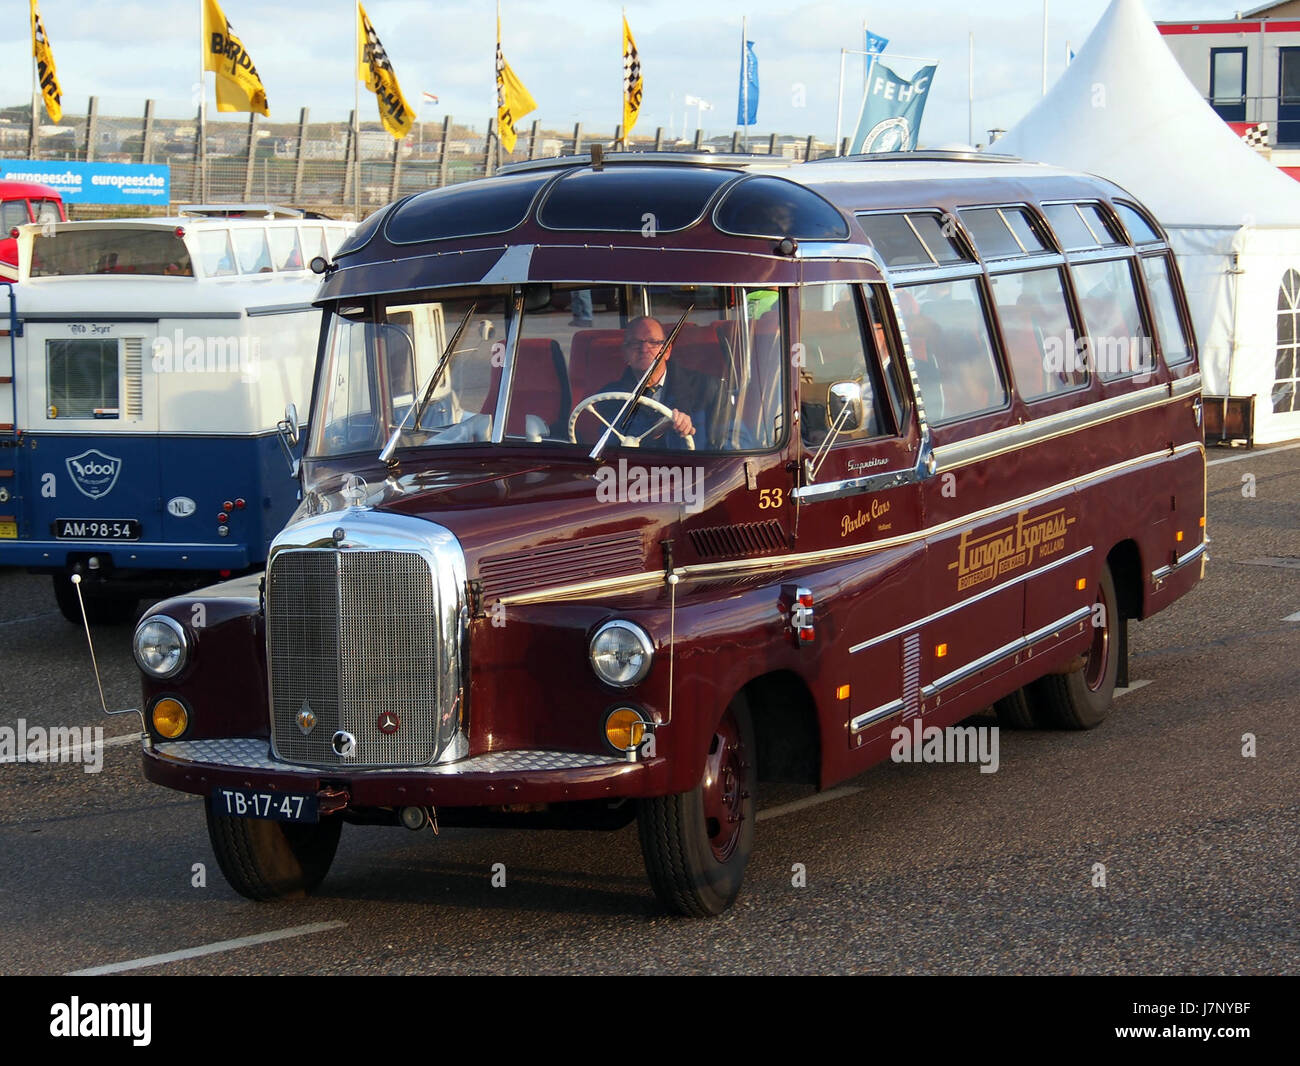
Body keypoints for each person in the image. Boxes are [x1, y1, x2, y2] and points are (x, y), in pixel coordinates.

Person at [592, 316, 719, 449]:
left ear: (667, 351)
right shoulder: (609, 396)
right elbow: (608, 442)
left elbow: (734, 440)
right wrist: (654, 429)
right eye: (635, 343)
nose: (644, 349)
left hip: (696, 468)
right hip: (632, 468)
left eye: (653, 342)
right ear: (625, 352)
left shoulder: (707, 387)